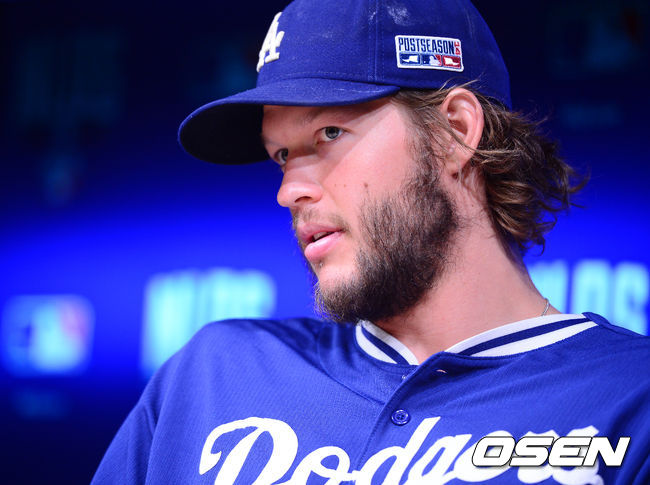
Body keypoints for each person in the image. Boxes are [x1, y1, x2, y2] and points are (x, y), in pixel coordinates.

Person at [92, 0, 650, 483]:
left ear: (456, 131)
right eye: (281, 155)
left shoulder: (631, 400)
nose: (289, 191)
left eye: (329, 133)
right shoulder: (211, 376)